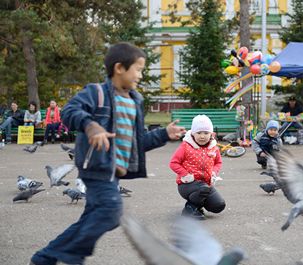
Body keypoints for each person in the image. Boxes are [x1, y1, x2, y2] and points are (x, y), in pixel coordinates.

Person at [29, 42, 185, 265]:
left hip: (115, 171)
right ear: (119, 68)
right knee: (110, 211)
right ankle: (69, 255)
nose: (141, 75)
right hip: (97, 166)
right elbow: (70, 111)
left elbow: (138, 143)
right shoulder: (97, 93)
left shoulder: (135, 100)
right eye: (138, 69)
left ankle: (47, 258)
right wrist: (91, 126)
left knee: (96, 216)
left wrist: (164, 134)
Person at [170, 114, 225, 220]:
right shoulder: (186, 146)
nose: (202, 136)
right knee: (203, 189)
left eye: (206, 133)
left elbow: (218, 162)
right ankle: (190, 209)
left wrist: (214, 172)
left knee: (219, 205)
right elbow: (173, 163)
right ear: (193, 133)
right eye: (199, 133)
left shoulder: (213, 147)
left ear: (211, 134)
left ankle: (197, 205)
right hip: (187, 184)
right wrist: (185, 175)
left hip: (206, 184)